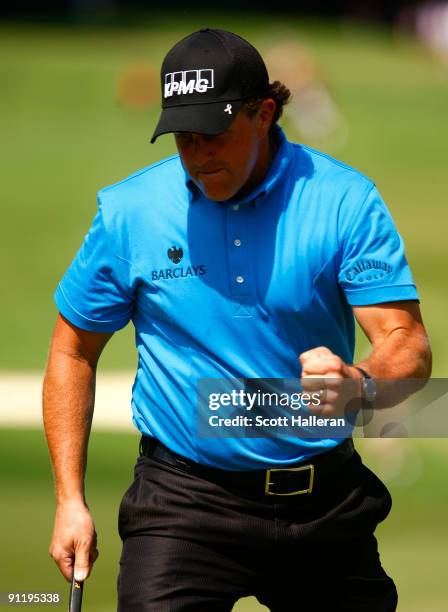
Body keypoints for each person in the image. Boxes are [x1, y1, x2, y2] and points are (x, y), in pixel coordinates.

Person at [42, 28, 431, 611]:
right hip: (183, 503)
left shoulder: (343, 200)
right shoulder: (131, 213)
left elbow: (408, 344)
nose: (199, 155)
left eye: (214, 133)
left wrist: (362, 384)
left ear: (264, 113)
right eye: (183, 138)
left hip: (323, 503)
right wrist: (70, 499)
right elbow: (73, 351)